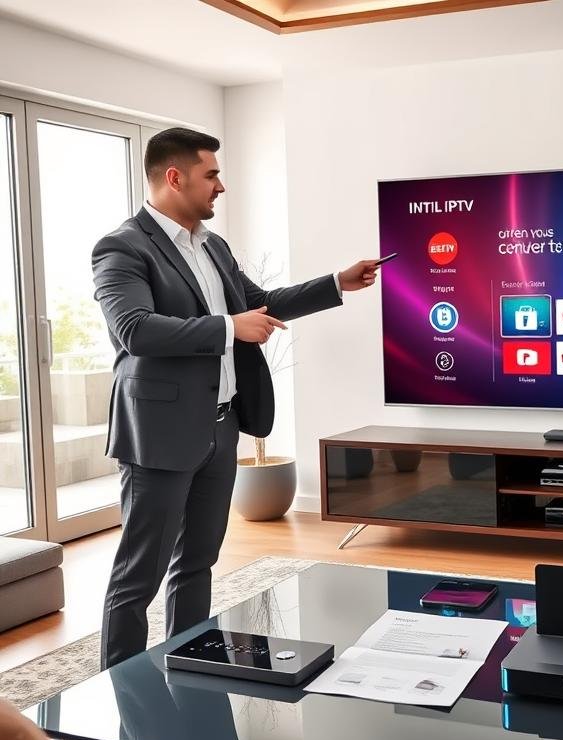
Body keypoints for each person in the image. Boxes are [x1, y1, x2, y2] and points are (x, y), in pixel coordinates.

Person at [93, 127, 378, 679]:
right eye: (212, 175)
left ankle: (189, 671)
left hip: (219, 427)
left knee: (198, 563)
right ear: (174, 178)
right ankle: (125, 703)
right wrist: (228, 327)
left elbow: (257, 305)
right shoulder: (122, 247)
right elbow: (135, 330)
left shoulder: (212, 246)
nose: (221, 186)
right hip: (157, 434)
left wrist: (335, 284)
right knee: (137, 579)